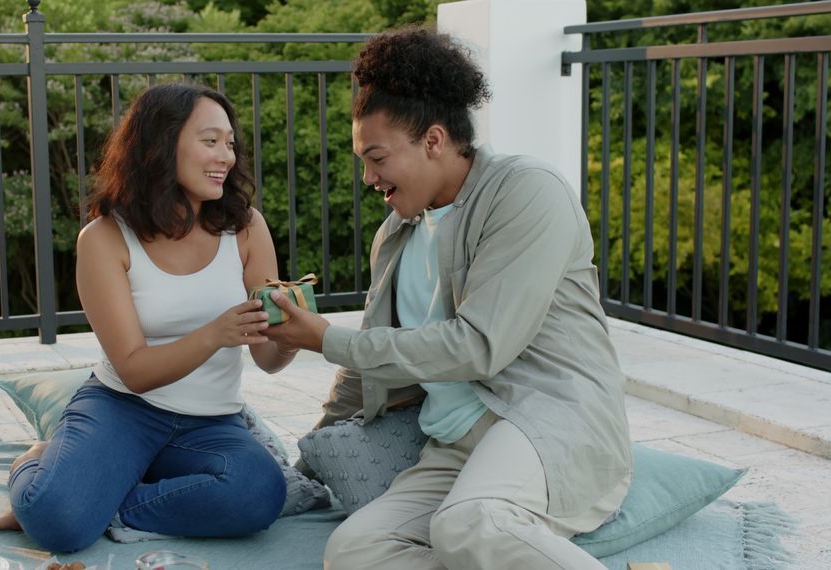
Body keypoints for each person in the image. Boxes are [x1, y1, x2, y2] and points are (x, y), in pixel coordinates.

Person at [262, 28, 633, 570]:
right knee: (356, 550)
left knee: (472, 524)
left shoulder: (527, 192)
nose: (368, 177)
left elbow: (481, 345)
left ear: (433, 141)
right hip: (455, 447)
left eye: (377, 157)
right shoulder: (396, 233)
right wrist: (306, 465)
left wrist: (327, 340)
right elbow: (368, 366)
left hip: (547, 420)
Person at [0, 83, 294, 553]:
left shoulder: (246, 227)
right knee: (56, 523)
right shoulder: (105, 239)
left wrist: (290, 337)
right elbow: (133, 368)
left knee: (260, 492)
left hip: (210, 421)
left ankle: (103, 497)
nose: (226, 156)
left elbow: (267, 356)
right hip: (123, 408)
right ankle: (36, 461)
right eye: (210, 141)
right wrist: (215, 334)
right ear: (161, 144)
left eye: (230, 143)